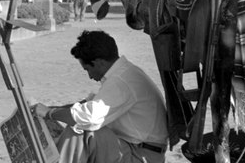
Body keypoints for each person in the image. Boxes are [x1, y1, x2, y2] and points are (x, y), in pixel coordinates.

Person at [33, 30, 168, 163]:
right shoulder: (123, 73)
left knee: (80, 129)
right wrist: (49, 109)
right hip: (135, 148)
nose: (90, 76)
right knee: (78, 122)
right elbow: (85, 105)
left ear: (99, 62)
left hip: (141, 156)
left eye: (88, 69)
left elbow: (89, 117)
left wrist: (50, 113)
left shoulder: (121, 81)